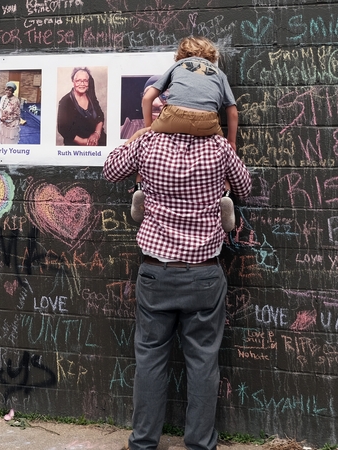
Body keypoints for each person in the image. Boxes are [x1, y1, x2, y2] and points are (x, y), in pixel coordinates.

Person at [103, 128, 251, 450]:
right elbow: (244, 186)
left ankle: (143, 443)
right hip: (203, 275)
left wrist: (137, 137)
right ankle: (199, 444)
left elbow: (111, 169)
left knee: (150, 358)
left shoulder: (149, 141)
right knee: (202, 360)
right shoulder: (218, 146)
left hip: (156, 273)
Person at [135, 36, 239, 231]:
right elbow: (232, 112)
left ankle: (140, 188)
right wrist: (231, 141)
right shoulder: (219, 73)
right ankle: (226, 195)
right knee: (224, 154)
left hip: (174, 117)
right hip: (207, 123)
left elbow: (148, 98)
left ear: (181, 54)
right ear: (210, 55)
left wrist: (150, 129)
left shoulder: (179, 66)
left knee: (139, 141)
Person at [57, 67, 106, 146]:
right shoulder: (65, 102)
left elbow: (100, 116)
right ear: (73, 81)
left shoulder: (91, 96)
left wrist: (97, 134)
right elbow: (63, 129)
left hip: (98, 138)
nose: (82, 84)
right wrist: (85, 142)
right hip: (77, 144)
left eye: (85, 81)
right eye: (78, 81)